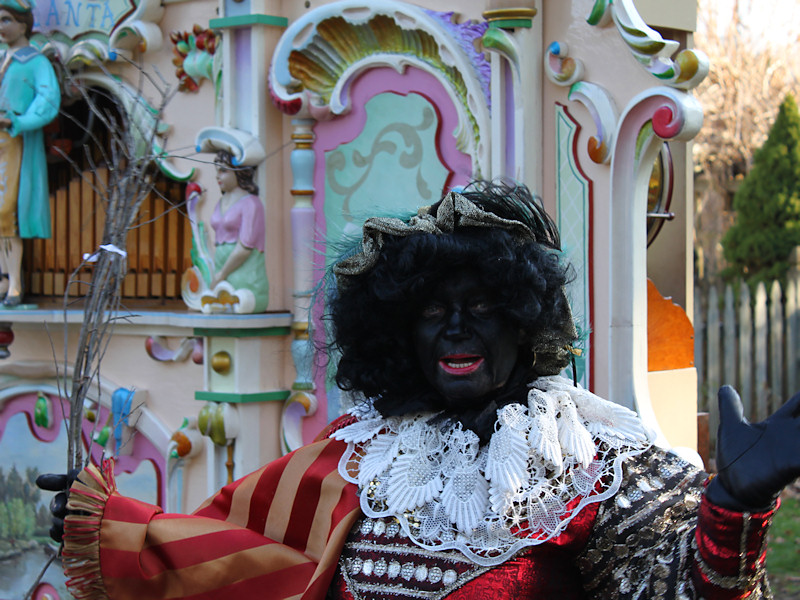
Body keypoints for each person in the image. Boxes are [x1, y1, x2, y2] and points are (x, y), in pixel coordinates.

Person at [39, 181, 800, 599]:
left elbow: (674, 590)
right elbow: (227, 555)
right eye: (433, 313)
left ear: (524, 322)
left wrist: (733, 509)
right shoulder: (355, 457)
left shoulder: (592, 458)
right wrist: (106, 522)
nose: (456, 330)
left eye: (483, 308)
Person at [0, 0, 60, 306]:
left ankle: (15, 283)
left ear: (23, 25)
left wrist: (18, 120)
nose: (1, 27)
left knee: (7, 212)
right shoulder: (1, 58)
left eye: (6, 20)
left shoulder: (36, 62)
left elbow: (48, 100)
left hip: (15, 141)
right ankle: (3, 278)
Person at [182, 149, 268, 313]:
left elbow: (244, 248)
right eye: (217, 171)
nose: (217, 176)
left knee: (239, 303)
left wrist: (221, 274)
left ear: (239, 172)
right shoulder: (220, 203)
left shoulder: (252, 203)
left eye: (223, 171)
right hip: (222, 276)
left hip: (245, 276)